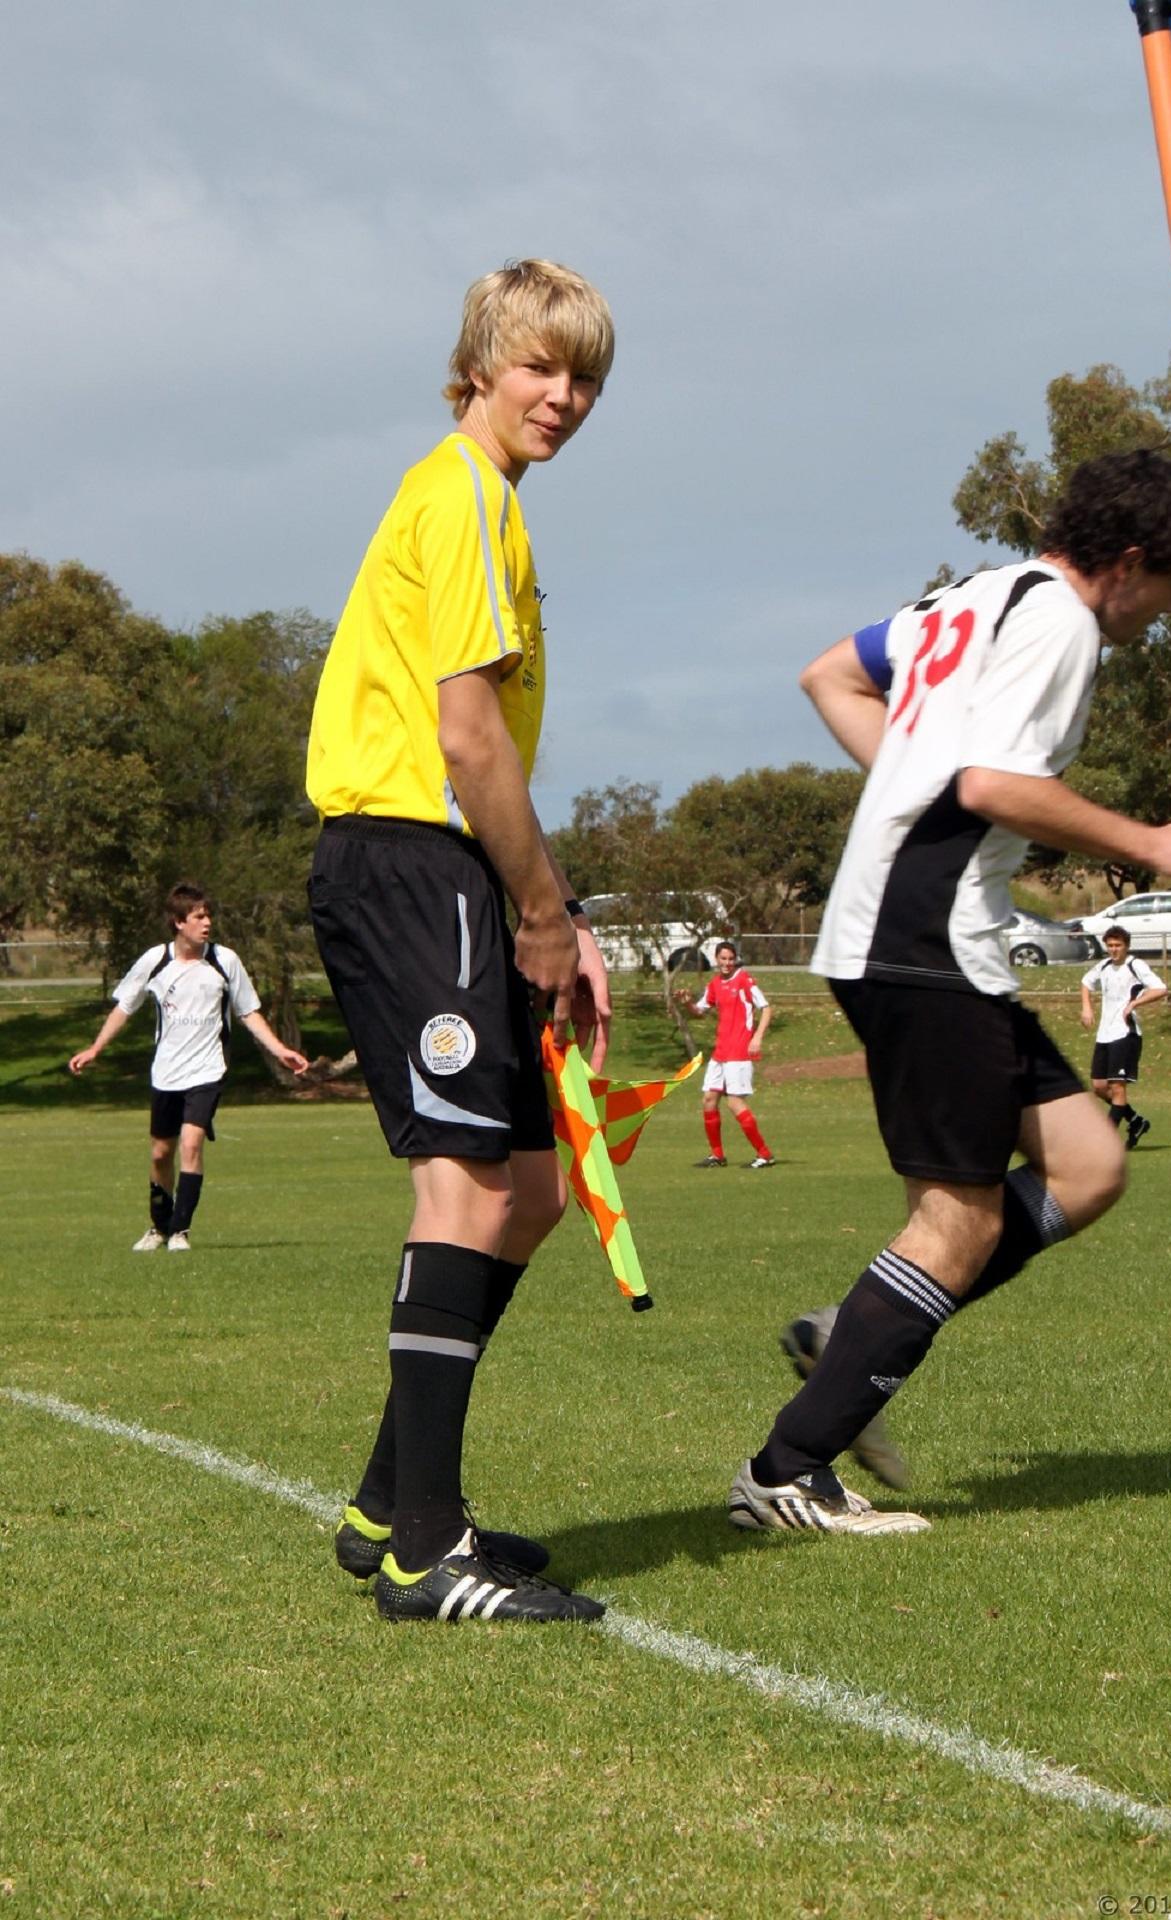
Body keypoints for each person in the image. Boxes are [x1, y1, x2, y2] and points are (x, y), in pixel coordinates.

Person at [731, 449, 1171, 1538]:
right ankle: (784, 1472)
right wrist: (1153, 841)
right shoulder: (1062, 620)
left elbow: (830, 673)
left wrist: (909, 790)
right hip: (924, 941)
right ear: (1132, 562)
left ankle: (855, 1329)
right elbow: (995, 784)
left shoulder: (976, 593)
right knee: (957, 1218)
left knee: (1089, 1166)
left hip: (929, 938)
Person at [305, 259, 614, 1626]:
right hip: (404, 855)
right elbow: (465, 736)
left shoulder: (486, 506)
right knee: (463, 1189)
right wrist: (536, 914)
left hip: (454, 869)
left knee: (532, 1189)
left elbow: (489, 759)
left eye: (586, 373)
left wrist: (556, 911)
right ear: (480, 362)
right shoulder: (465, 497)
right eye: (541, 364)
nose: (564, 394)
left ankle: (390, 1503)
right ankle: (429, 1550)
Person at [69, 883, 310, 1251]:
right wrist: (96, 1047)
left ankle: (180, 1231)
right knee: (160, 1154)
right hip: (166, 1073)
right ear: (179, 922)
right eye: (199, 917)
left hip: (208, 1071)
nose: (207, 923)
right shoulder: (155, 961)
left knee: (192, 1144)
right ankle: (159, 1227)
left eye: (208, 915)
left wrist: (280, 1050)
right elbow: (124, 1007)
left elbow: (248, 1011)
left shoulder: (224, 961)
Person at [677, 940, 776, 1168]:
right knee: (709, 1100)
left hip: (739, 1051)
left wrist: (757, 1038)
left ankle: (764, 1153)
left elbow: (767, 1008)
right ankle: (717, 1155)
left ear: (735, 960)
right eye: (723, 959)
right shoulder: (715, 984)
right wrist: (688, 1003)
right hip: (721, 1052)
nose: (727, 963)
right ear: (716, 959)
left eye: (731, 959)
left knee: (734, 1103)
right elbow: (700, 1011)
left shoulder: (744, 980)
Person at [1080, 926, 1166, 1149]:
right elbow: (1085, 982)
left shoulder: (1135, 965)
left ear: (1126, 946)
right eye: (1110, 945)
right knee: (1099, 1086)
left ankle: (1105, 1141)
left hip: (1125, 1033)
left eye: (1118, 945)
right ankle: (1136, 1121)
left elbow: (1160, 988)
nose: (1114, 950)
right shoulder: (1104, 965)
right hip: (1105, 1033)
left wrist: (1135, 1003)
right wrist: (1087, 1008)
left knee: (1118, 1087)